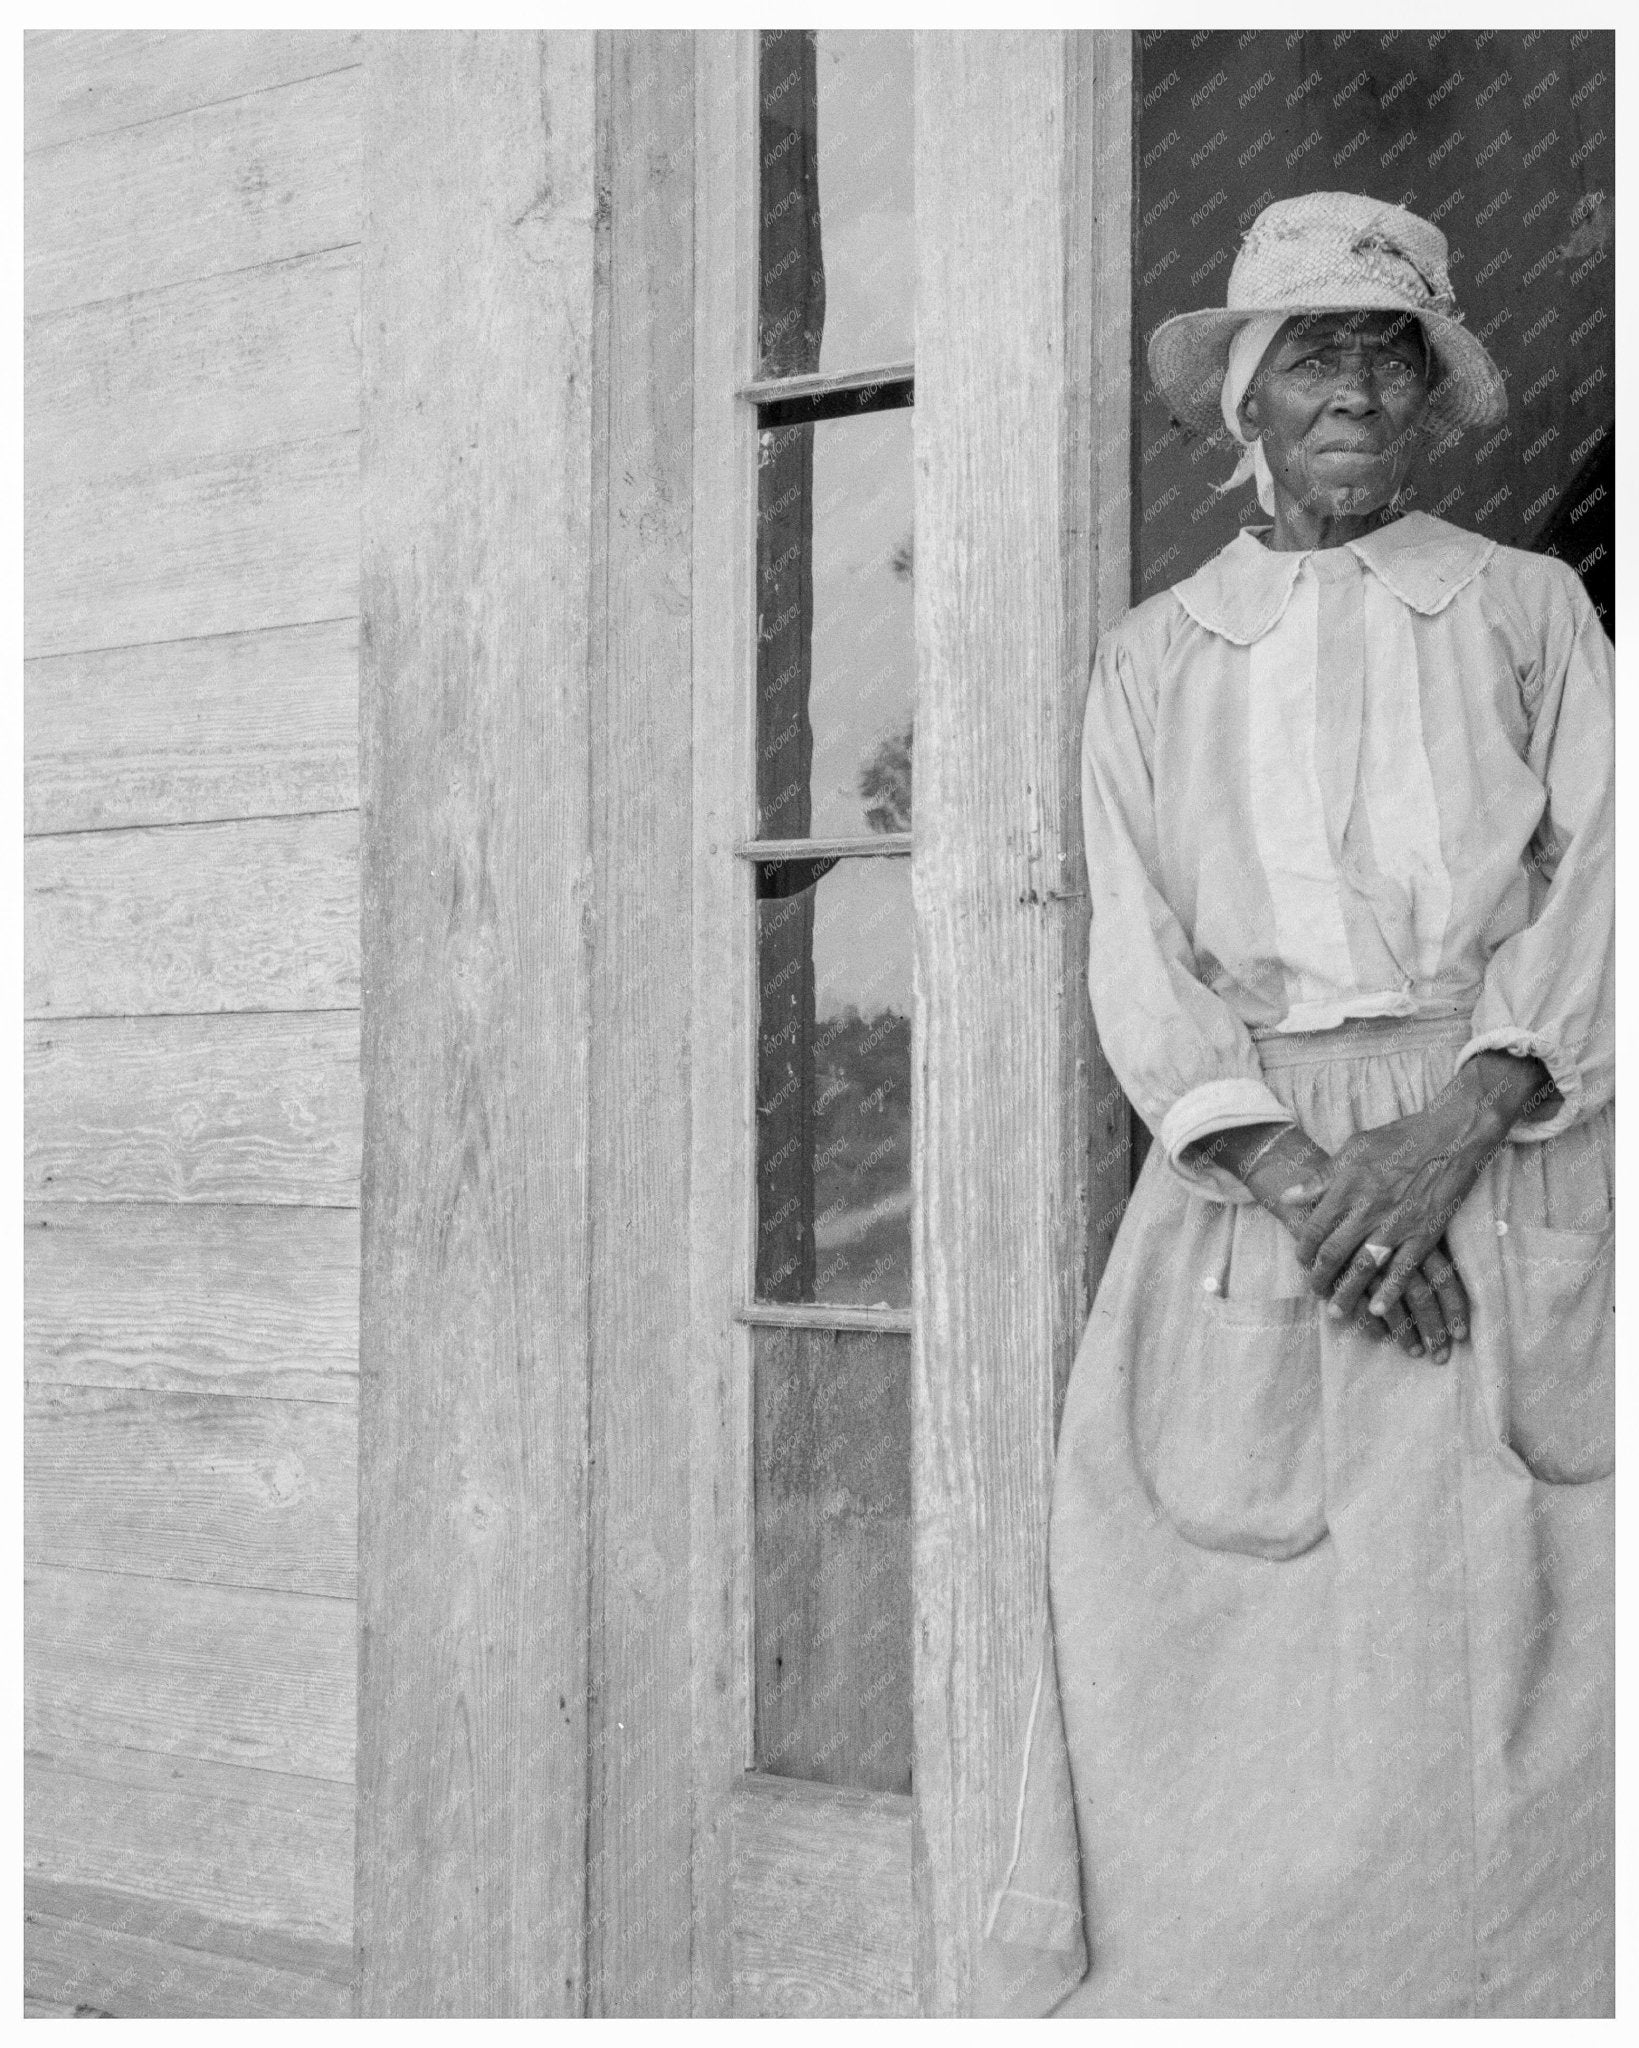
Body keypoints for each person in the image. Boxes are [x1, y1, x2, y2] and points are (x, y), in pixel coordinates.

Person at [974, 192, 1614, 2017]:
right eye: (1311, 356)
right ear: (1245, 399)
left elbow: (1610, 884)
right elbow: (1142, 963)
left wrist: (1449, 1136)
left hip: (1517, 1135)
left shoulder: (1530, 608)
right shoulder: (1159, 654)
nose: (1351, 392)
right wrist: (1315, 1179)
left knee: (1536, 1625)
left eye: (1387, 358)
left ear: (1430, 399)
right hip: (1260, 1182)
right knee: (1219, 1618)